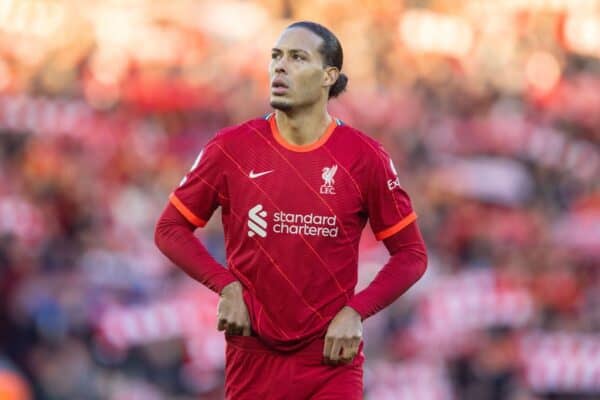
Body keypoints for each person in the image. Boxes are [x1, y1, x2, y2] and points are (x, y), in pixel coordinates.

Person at [155, 21, 427, 400]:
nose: (280, 67)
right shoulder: (232, 148)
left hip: (331, 358)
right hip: (253, 355)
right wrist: (226, 286)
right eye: (276, 57)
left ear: (328, 76)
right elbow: (170, 229)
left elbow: (411, 254)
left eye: (297, 57)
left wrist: (356, 312)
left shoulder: (365, 158)